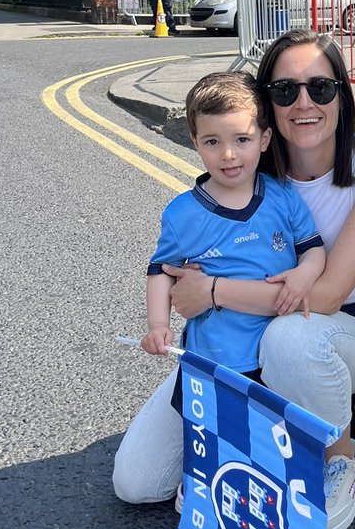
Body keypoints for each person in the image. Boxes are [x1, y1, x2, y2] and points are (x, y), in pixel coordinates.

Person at [114, 32, 355, 529]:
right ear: (266, 107)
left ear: (343, 93)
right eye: (285, 90)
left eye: (321, 87)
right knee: (136, 484)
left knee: (289, 337)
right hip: (230, 341)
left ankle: (341, 458)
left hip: (336, 334)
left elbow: (327, 296)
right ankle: (228, 407)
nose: (304, 103)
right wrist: (171, 316)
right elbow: (178, 260)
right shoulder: (247, 164)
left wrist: (213, 292)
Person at [139, 71, 325, 370]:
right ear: (195, 143)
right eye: (212, 141)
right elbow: (161, 269)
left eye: (242, 139)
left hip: (281, 356)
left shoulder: (284, 196)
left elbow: (313, 247)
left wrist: (306, 273)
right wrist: (158, 324)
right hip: (215, 360)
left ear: (264, 139)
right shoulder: (181, 214)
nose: (228, 154)